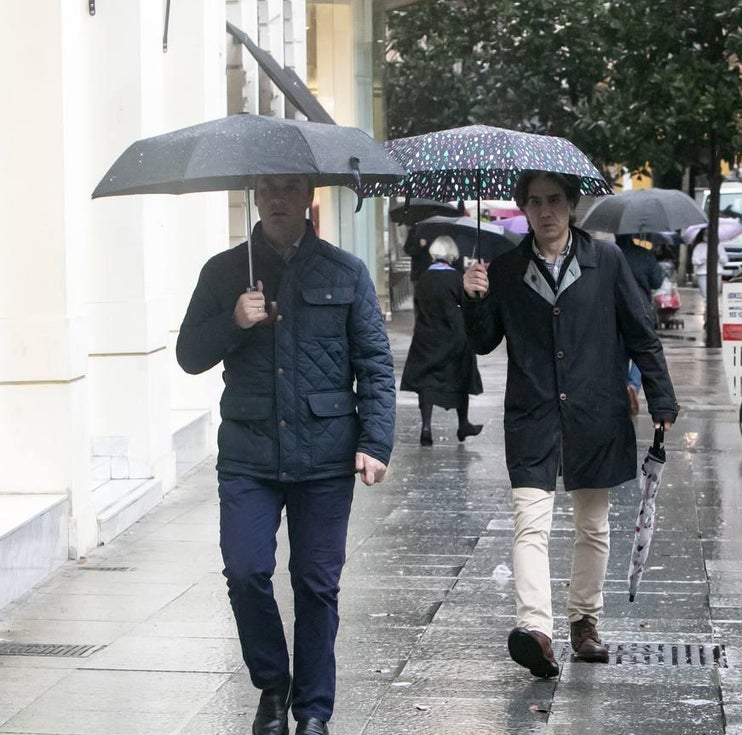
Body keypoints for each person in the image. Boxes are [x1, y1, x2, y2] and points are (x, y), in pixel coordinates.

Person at [176, 175, 395, 735]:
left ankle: (314, 711)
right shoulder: (223, 272)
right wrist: (235, 321)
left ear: (307, 197)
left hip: (324, 455)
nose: (277, 199)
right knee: (246, 571)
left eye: (289, 188)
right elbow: (188, 355)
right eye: (268, 188)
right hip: (249, 453)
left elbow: (373, 362)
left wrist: (375, 441)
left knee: (316, 583)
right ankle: (273, 686)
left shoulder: (346, 271)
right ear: (255, 196)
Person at [462, 170, 679, 679]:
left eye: (554, 200)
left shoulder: (605, 260)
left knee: (592, 525)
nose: (546, 211)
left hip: (595, 411)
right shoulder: (507, 267)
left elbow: (640, 332)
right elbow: (483, 342)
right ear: (524, 208)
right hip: (533, 414)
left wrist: (661, 396)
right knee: (529, 523)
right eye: (535, 202)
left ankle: (584, 622)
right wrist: (473, 299)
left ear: (572, 204)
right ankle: (536, 629)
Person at [400, 235, 484, 446]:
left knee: (426, 383)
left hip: (426, 337)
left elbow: (418, 307)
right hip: (454, 337)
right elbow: (467, 305)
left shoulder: (423, 278)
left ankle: (426, 426)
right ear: (451, 254)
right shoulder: (456, 278)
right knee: (460, 378)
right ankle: (463, 423)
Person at [615, 234, 665, 414]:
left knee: (618, 353)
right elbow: (657, 281)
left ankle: (621, 391)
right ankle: (633, 386)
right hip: (641, 311)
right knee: (642, 352)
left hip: (615, 312)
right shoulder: (645, 254)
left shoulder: (607, 255)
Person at [691, 228, 728, 300]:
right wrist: (704, 258)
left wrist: (719, 256)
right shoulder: (699, 246)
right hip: (702, 274)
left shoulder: (719, 246)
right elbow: (694, 261)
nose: (707, 236)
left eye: (708, 234)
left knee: (715, 293)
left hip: (716, 273)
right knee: (705, 294)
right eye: (705, 234)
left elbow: (725, 260)